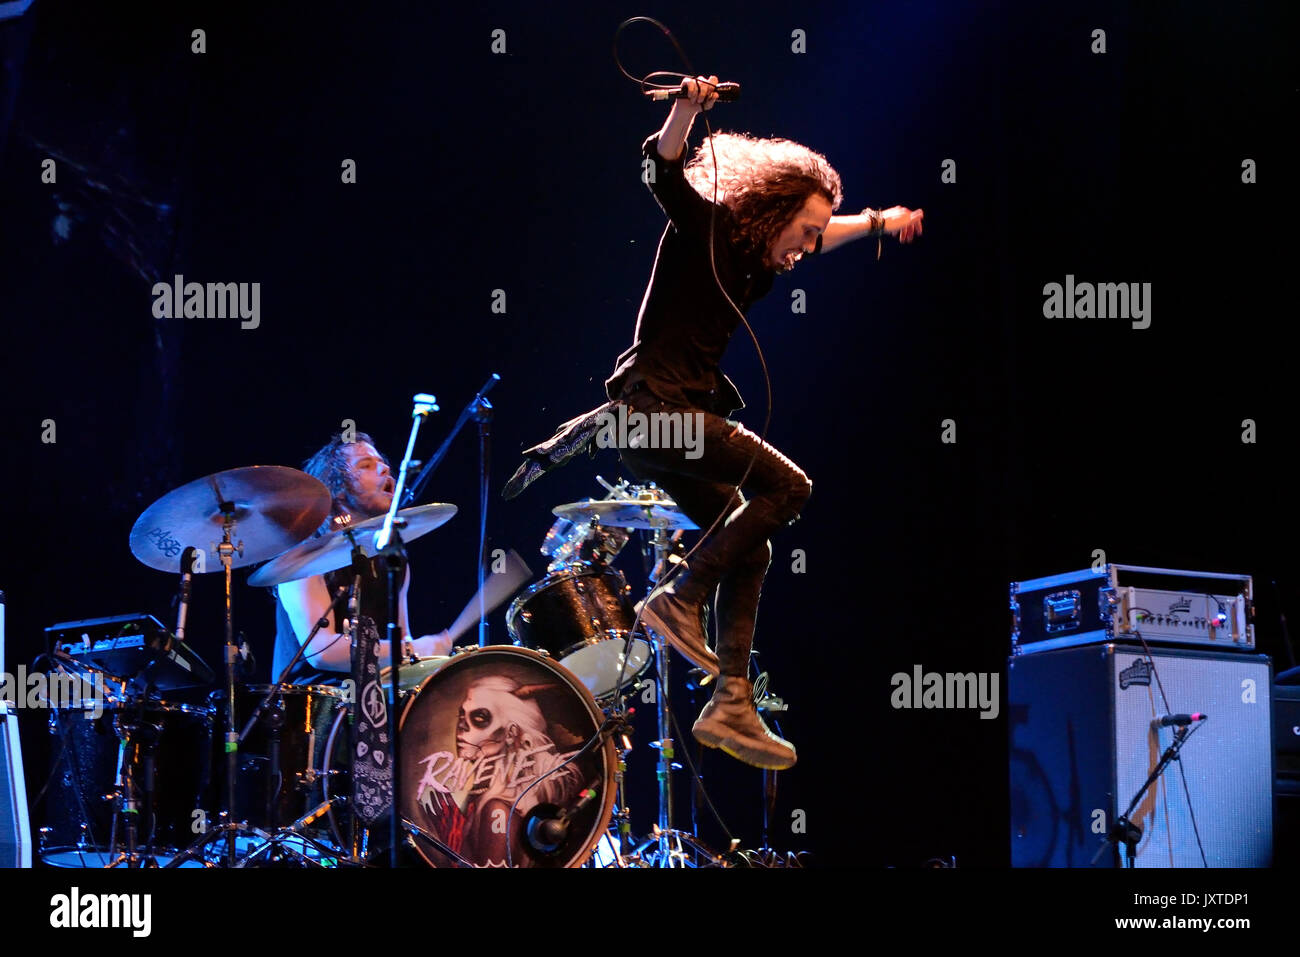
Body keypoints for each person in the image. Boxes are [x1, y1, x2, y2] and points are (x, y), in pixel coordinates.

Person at [608, 76, 923, 770]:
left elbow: (821, 227)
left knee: (751, 545)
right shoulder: (710, 225)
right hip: (654, 415)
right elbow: (659, 171)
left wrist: (874, 221)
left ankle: (732, 699)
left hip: (664, 426)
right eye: (806, 231)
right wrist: (686, 109)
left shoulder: (755, 259)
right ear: (774, 209)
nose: (809, 247)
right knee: (791, 488)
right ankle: (681, 597)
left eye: (816, 235)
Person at [271, 432, 453, 686]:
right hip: (314, 709)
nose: (385, 469)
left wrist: (430, 657)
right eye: (366, 465)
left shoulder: (393, 558)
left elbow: (399, 649)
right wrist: (414, 648)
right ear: (339, 490)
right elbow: (322, 652)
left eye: (382, 463)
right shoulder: (305, 557)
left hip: (373, 700)